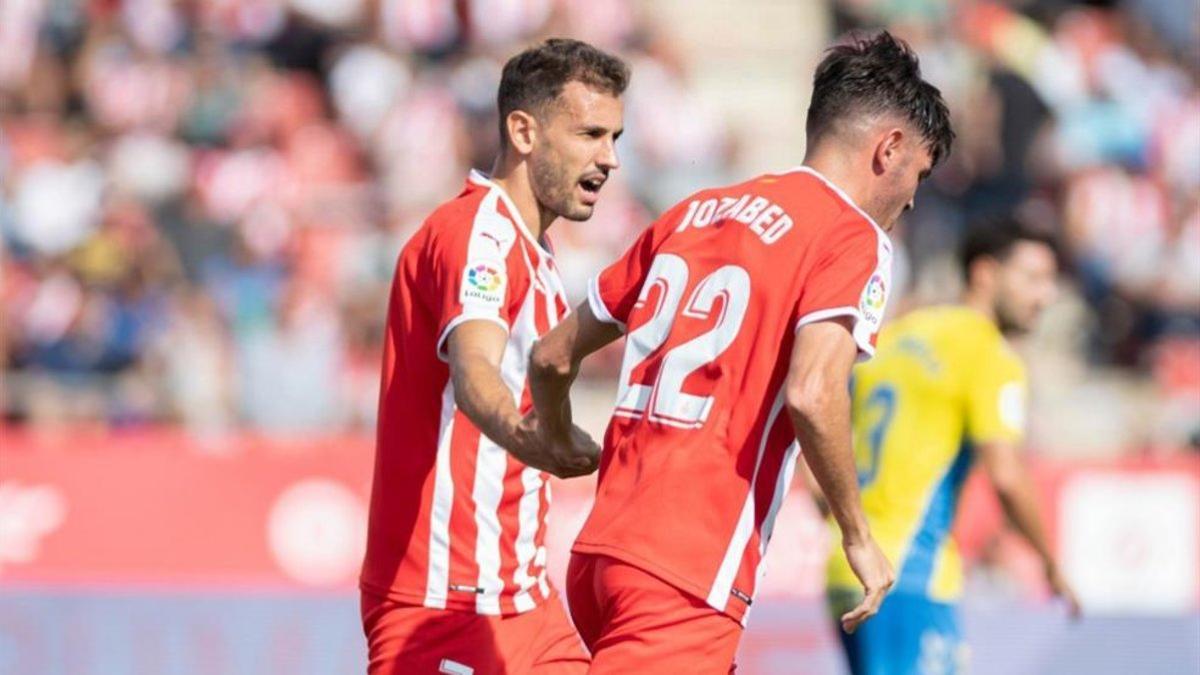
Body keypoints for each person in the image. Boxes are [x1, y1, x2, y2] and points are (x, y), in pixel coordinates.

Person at [526, 31, 954, 673]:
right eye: (917, 174)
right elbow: (813, 393)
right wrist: (858, 535)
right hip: (688, 565)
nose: (912, 197)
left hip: (599, 555)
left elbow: (552, 355)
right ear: (888, 149)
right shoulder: (851, 237)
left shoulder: (695, 211)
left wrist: (557, 436)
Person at [359, 38, 628, 675]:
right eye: (591, 134)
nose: (610, 158)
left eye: (615, 137)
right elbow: (476, 367)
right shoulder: (478, 233)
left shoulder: (533, 250)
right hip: (445, 600)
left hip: (523, 599)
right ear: (524, 131)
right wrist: (530, 439)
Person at [824, 219, 1083, 675]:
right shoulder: (988, 353)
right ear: (984, 273)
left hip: (848, 566)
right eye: (1033, 278)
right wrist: (1050, 562)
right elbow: (1005, 475)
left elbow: (823, 426)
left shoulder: (901, 333)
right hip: (909, 573)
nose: (1045, 296)